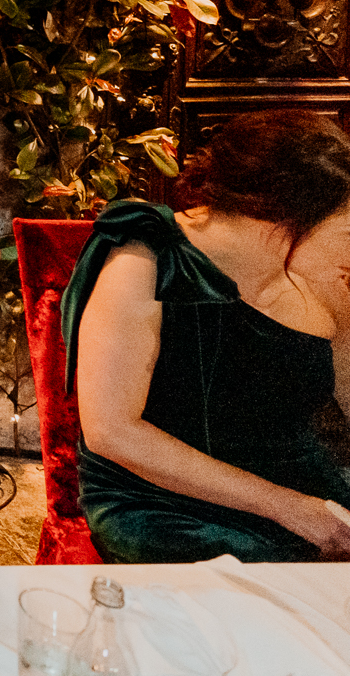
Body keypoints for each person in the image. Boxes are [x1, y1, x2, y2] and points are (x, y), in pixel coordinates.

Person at [63, 109, 350, 563]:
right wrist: (293, 509)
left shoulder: (314, 271)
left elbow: (332, 399)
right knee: (267, 588)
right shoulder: (148, 258)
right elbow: (112, 433)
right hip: (161, 499)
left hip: (294, 476)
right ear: (287, 219)